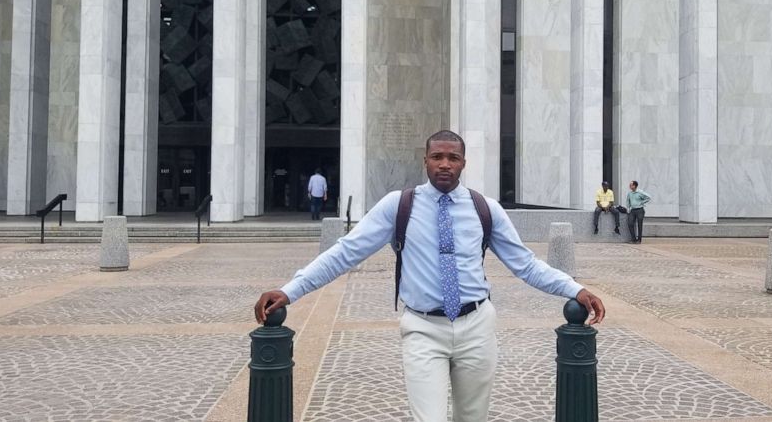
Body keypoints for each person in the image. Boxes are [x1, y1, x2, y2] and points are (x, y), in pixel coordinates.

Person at [254, 130, 606, 422]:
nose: (444, 164)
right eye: (437, 156)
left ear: (463, 164)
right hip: (423, 329)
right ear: (425, 161)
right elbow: (346, 251)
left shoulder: (485, 208)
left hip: (476, 326)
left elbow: (526, 264)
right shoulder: (399, 205)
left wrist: (574, 289)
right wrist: (291, 290)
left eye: (453, 158)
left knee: (473, 417)